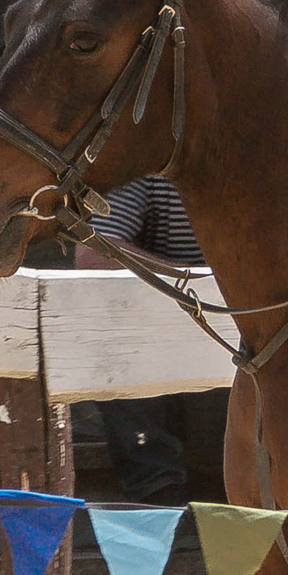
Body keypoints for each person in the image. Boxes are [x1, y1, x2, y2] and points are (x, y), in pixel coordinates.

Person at [74, 173, 206, 505]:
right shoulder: (145, 159)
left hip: (249, 332)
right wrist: (203, 285)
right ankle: (157, 504)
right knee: (113, 315)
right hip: (156, 332)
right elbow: (94, 253)